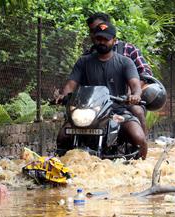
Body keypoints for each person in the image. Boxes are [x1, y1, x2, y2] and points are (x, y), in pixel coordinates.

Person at [56, 22, 148, 159]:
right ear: (94, 39)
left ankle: (141, 168)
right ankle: (60, 165)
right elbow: (71, 84)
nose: (102, 42)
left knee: (139, 137)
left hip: (117, 111)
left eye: (106, 39)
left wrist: (135, 95)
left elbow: (135, 85)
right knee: (62, 136)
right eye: (99, 38)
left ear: (114, 40)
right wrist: (63, 95)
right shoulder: (83, 62)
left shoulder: (125, 62)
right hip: (87, 111)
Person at [86, 12, 152, 135]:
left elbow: (145, 73)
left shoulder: (127, 49)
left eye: (99, 28)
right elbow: (76, 81)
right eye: (93, 31)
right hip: (95, 105)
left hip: (123, 102)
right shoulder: (87, 55)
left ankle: (142, 146)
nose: (97, 33)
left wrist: (133, 93)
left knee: (137, 111)